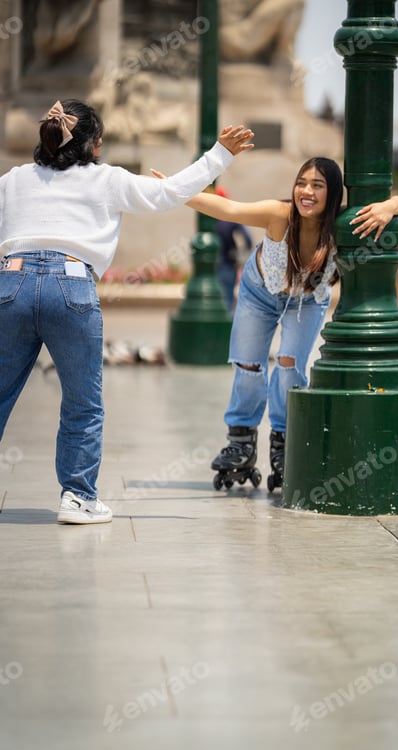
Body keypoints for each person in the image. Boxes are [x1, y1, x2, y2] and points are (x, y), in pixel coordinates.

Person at [0, 99, 254, 524]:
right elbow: (169, 192)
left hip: (11, 279)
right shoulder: (106, 179)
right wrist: (220, 154)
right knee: (82, 401)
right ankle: (78, 499)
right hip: (71, 284)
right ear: (94, 145)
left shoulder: (13, 180)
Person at [158, 157, 398, 488]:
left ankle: (281, 440)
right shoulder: (280, 214)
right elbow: (228, 210)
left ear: (332, 192)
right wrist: (172, 189)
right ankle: (241, 441)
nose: (306, 191)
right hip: (259, 293)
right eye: (301, 183)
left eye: (317, 185)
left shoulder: (343, 222)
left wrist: (388, 207)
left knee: (290, 367)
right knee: (249, 367)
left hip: (307, 301)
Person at [214, 186, 253, 313]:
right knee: (228, 299)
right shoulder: (230, 218)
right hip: (228, 263)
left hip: (212, 264)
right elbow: (247, 239)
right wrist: (242, 254)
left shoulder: (210, 218)